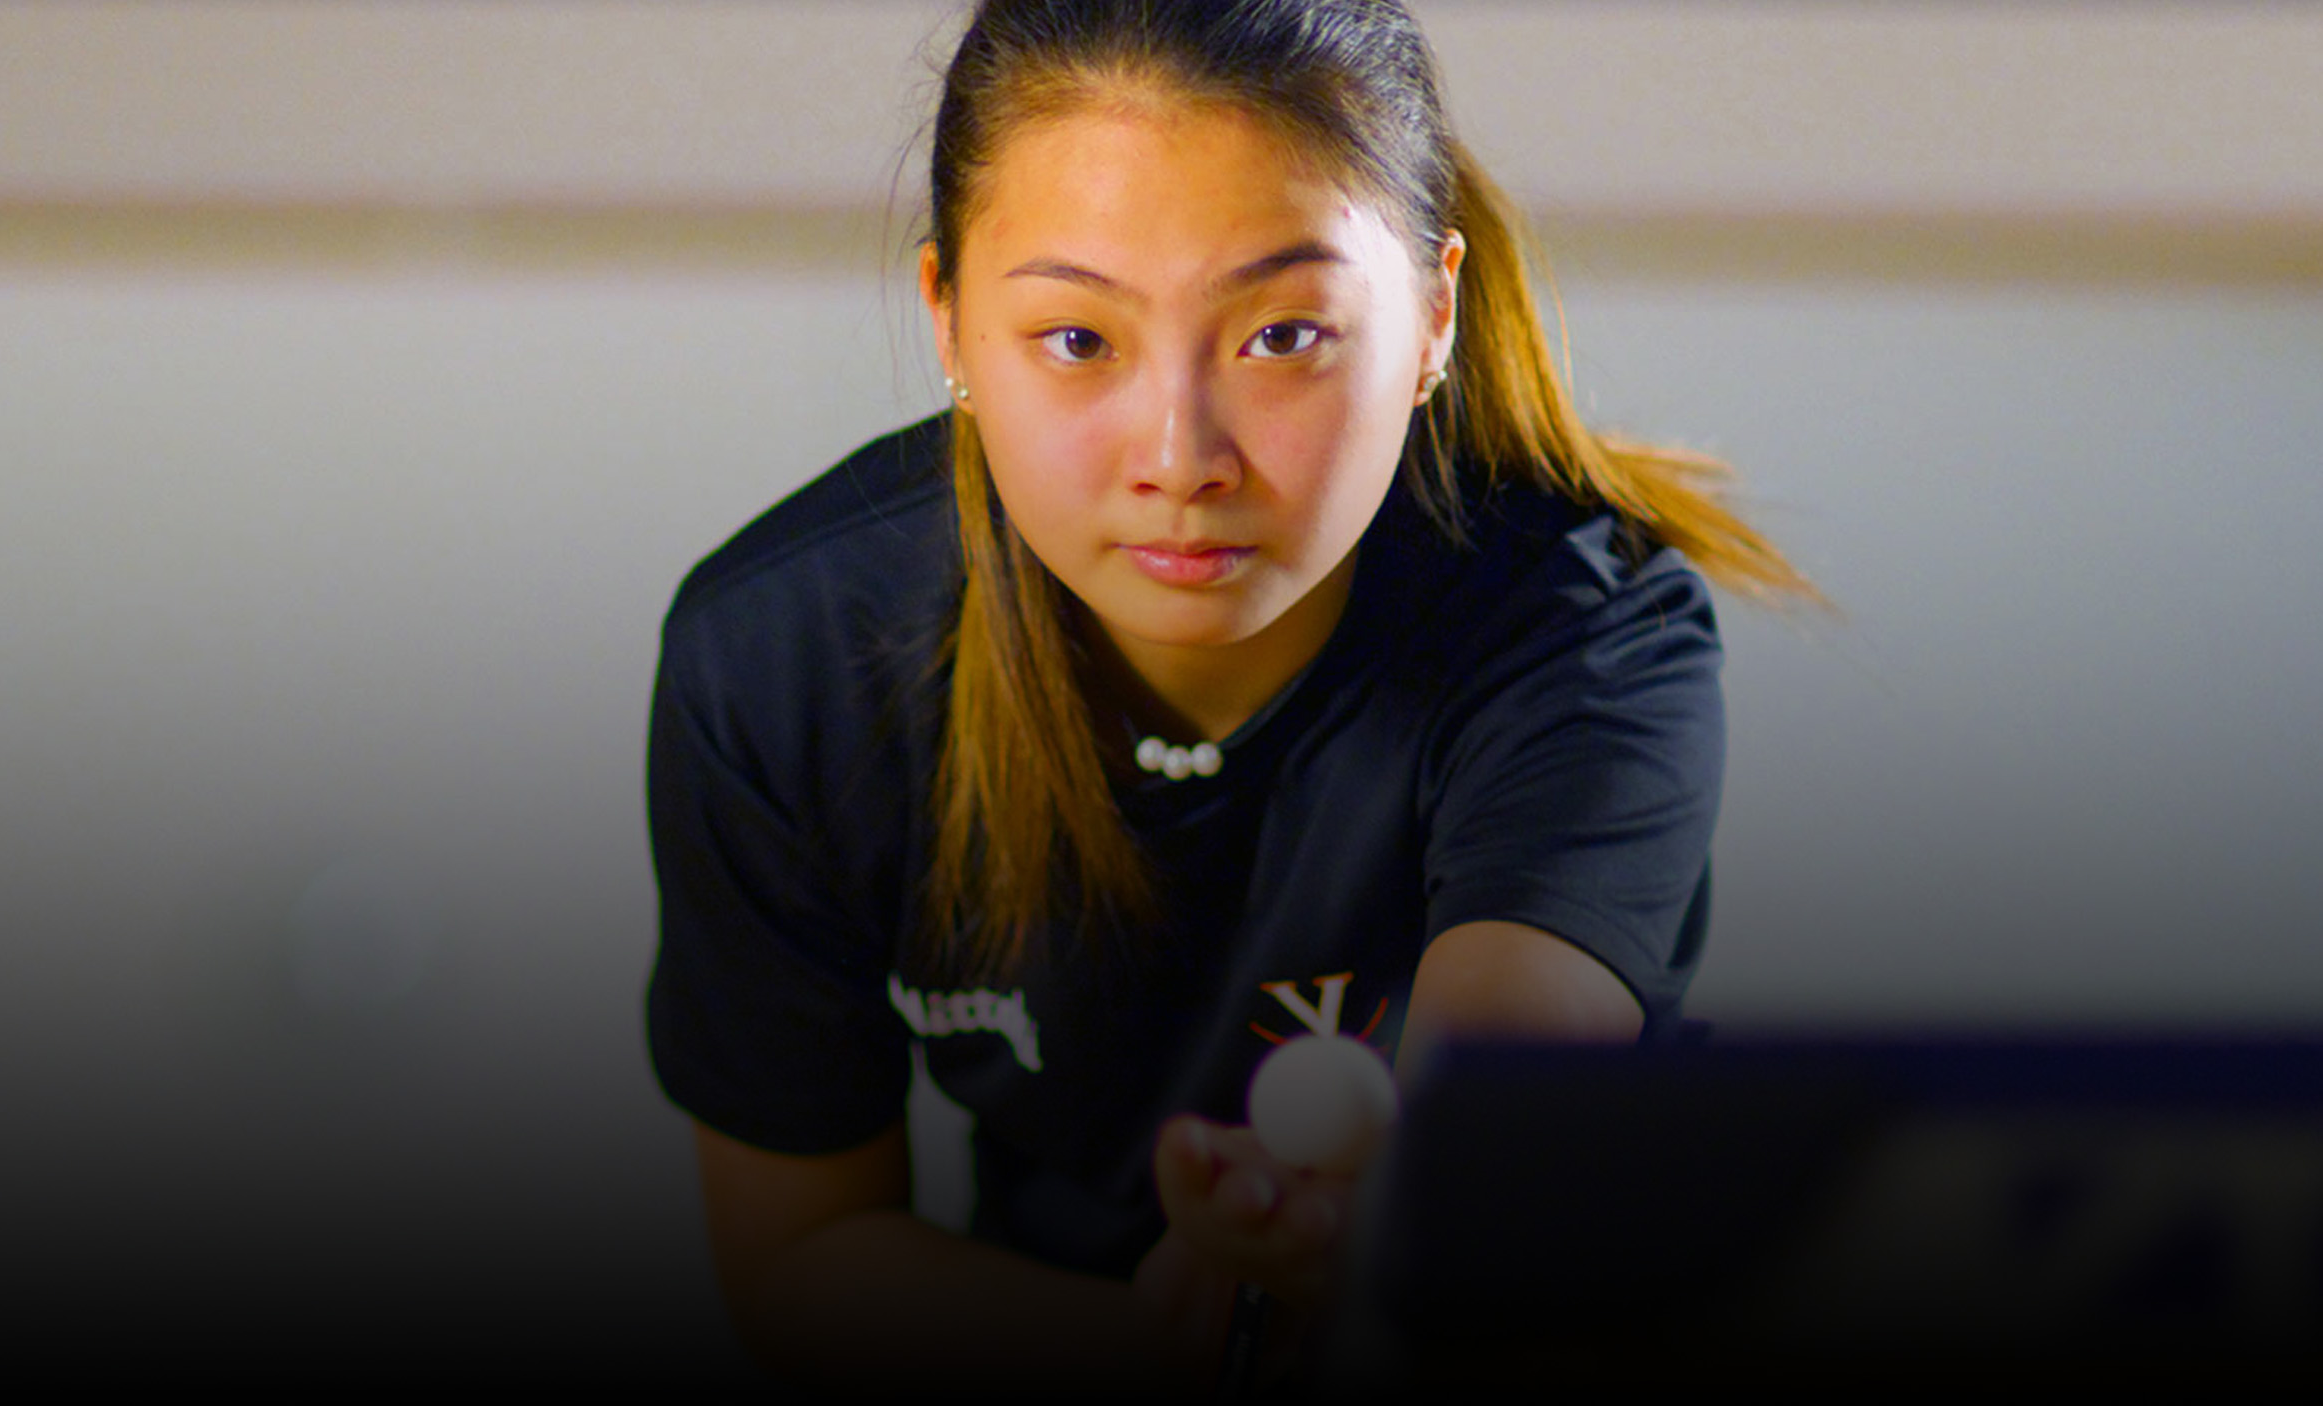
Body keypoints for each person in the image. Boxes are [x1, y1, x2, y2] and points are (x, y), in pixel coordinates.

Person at [646, 0, 1810, 1390]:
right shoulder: (778, 661)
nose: (1180, 454)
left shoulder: (1582, 632)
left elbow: (1494, 1123)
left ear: (1432, 315)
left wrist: (1374, 1228)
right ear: (949, 321)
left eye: (1282, 336)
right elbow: (801, 1259)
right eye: (1079, 340)